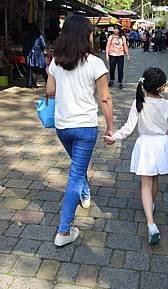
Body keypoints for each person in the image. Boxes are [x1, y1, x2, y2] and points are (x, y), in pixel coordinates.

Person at [46, 16, 114, 247]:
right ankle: (64, 231)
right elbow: (105, 98)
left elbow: (50, 90)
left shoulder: (56, 62)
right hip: (85, 127)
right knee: (75, 174)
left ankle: (85, 194)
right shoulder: (95, 63)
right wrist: (111, 127)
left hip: (62, 126)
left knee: (78, 165)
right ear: (86, 35)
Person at [105, 67, 168, 245]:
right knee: (154, 180)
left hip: (146, 145)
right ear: (161, 88)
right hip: (161, 145)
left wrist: (113, 137)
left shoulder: (139, 101)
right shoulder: (167, 105)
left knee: (145, 183)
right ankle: (150, 207)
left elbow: (128, 128)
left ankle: (151, 223)